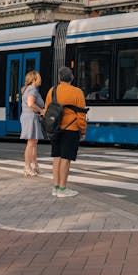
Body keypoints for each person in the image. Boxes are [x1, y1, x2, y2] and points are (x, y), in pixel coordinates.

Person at [44, 66, 87, 198]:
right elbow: (81, 115)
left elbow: (47, 111)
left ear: (59, 78)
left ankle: (55, 187)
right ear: (72, 78)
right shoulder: (77, 92)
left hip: (55, 129)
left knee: (56, 157)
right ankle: (62, 188)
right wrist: (83, 131)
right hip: (71, 129)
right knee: (66, 159)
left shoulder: (52, 91)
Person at [20, 70, 44, 177]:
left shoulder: (28, 89)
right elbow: (31, 104)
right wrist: (41, 111)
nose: (41, 79)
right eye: (39, 78)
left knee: (34, 142)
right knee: (31, 143)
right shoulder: (33, 90)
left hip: (30, 117)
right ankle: (27, 167)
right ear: (34, 79)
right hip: (31, 118)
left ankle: (34, 165)